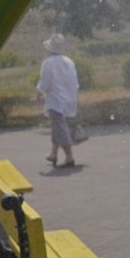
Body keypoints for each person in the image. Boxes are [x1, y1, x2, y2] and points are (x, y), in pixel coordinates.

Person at [36, 33, 79, 168]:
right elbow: (75, 82)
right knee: (57, 126)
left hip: (56, 100)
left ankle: (69, 156)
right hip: (70, 99)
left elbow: (44, 83)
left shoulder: (48, 63)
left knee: (60, 128)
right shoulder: (69, 61)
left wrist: (39, 93)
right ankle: (53, 153)